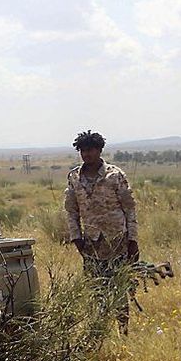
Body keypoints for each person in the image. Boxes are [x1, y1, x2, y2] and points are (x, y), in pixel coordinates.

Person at [63, 129, 139, 334]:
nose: (86, 154)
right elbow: (71, 211)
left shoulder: (115, 175)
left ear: (99, 150)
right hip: (91, 245)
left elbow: (129, 208)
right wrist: (76, 237)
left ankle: (123, 332)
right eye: (83, 150)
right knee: (95, 290)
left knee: (119, 290)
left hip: (117, 242)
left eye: (91, 149)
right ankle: (98, 332)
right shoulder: (74, 178)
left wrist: (133, 239)